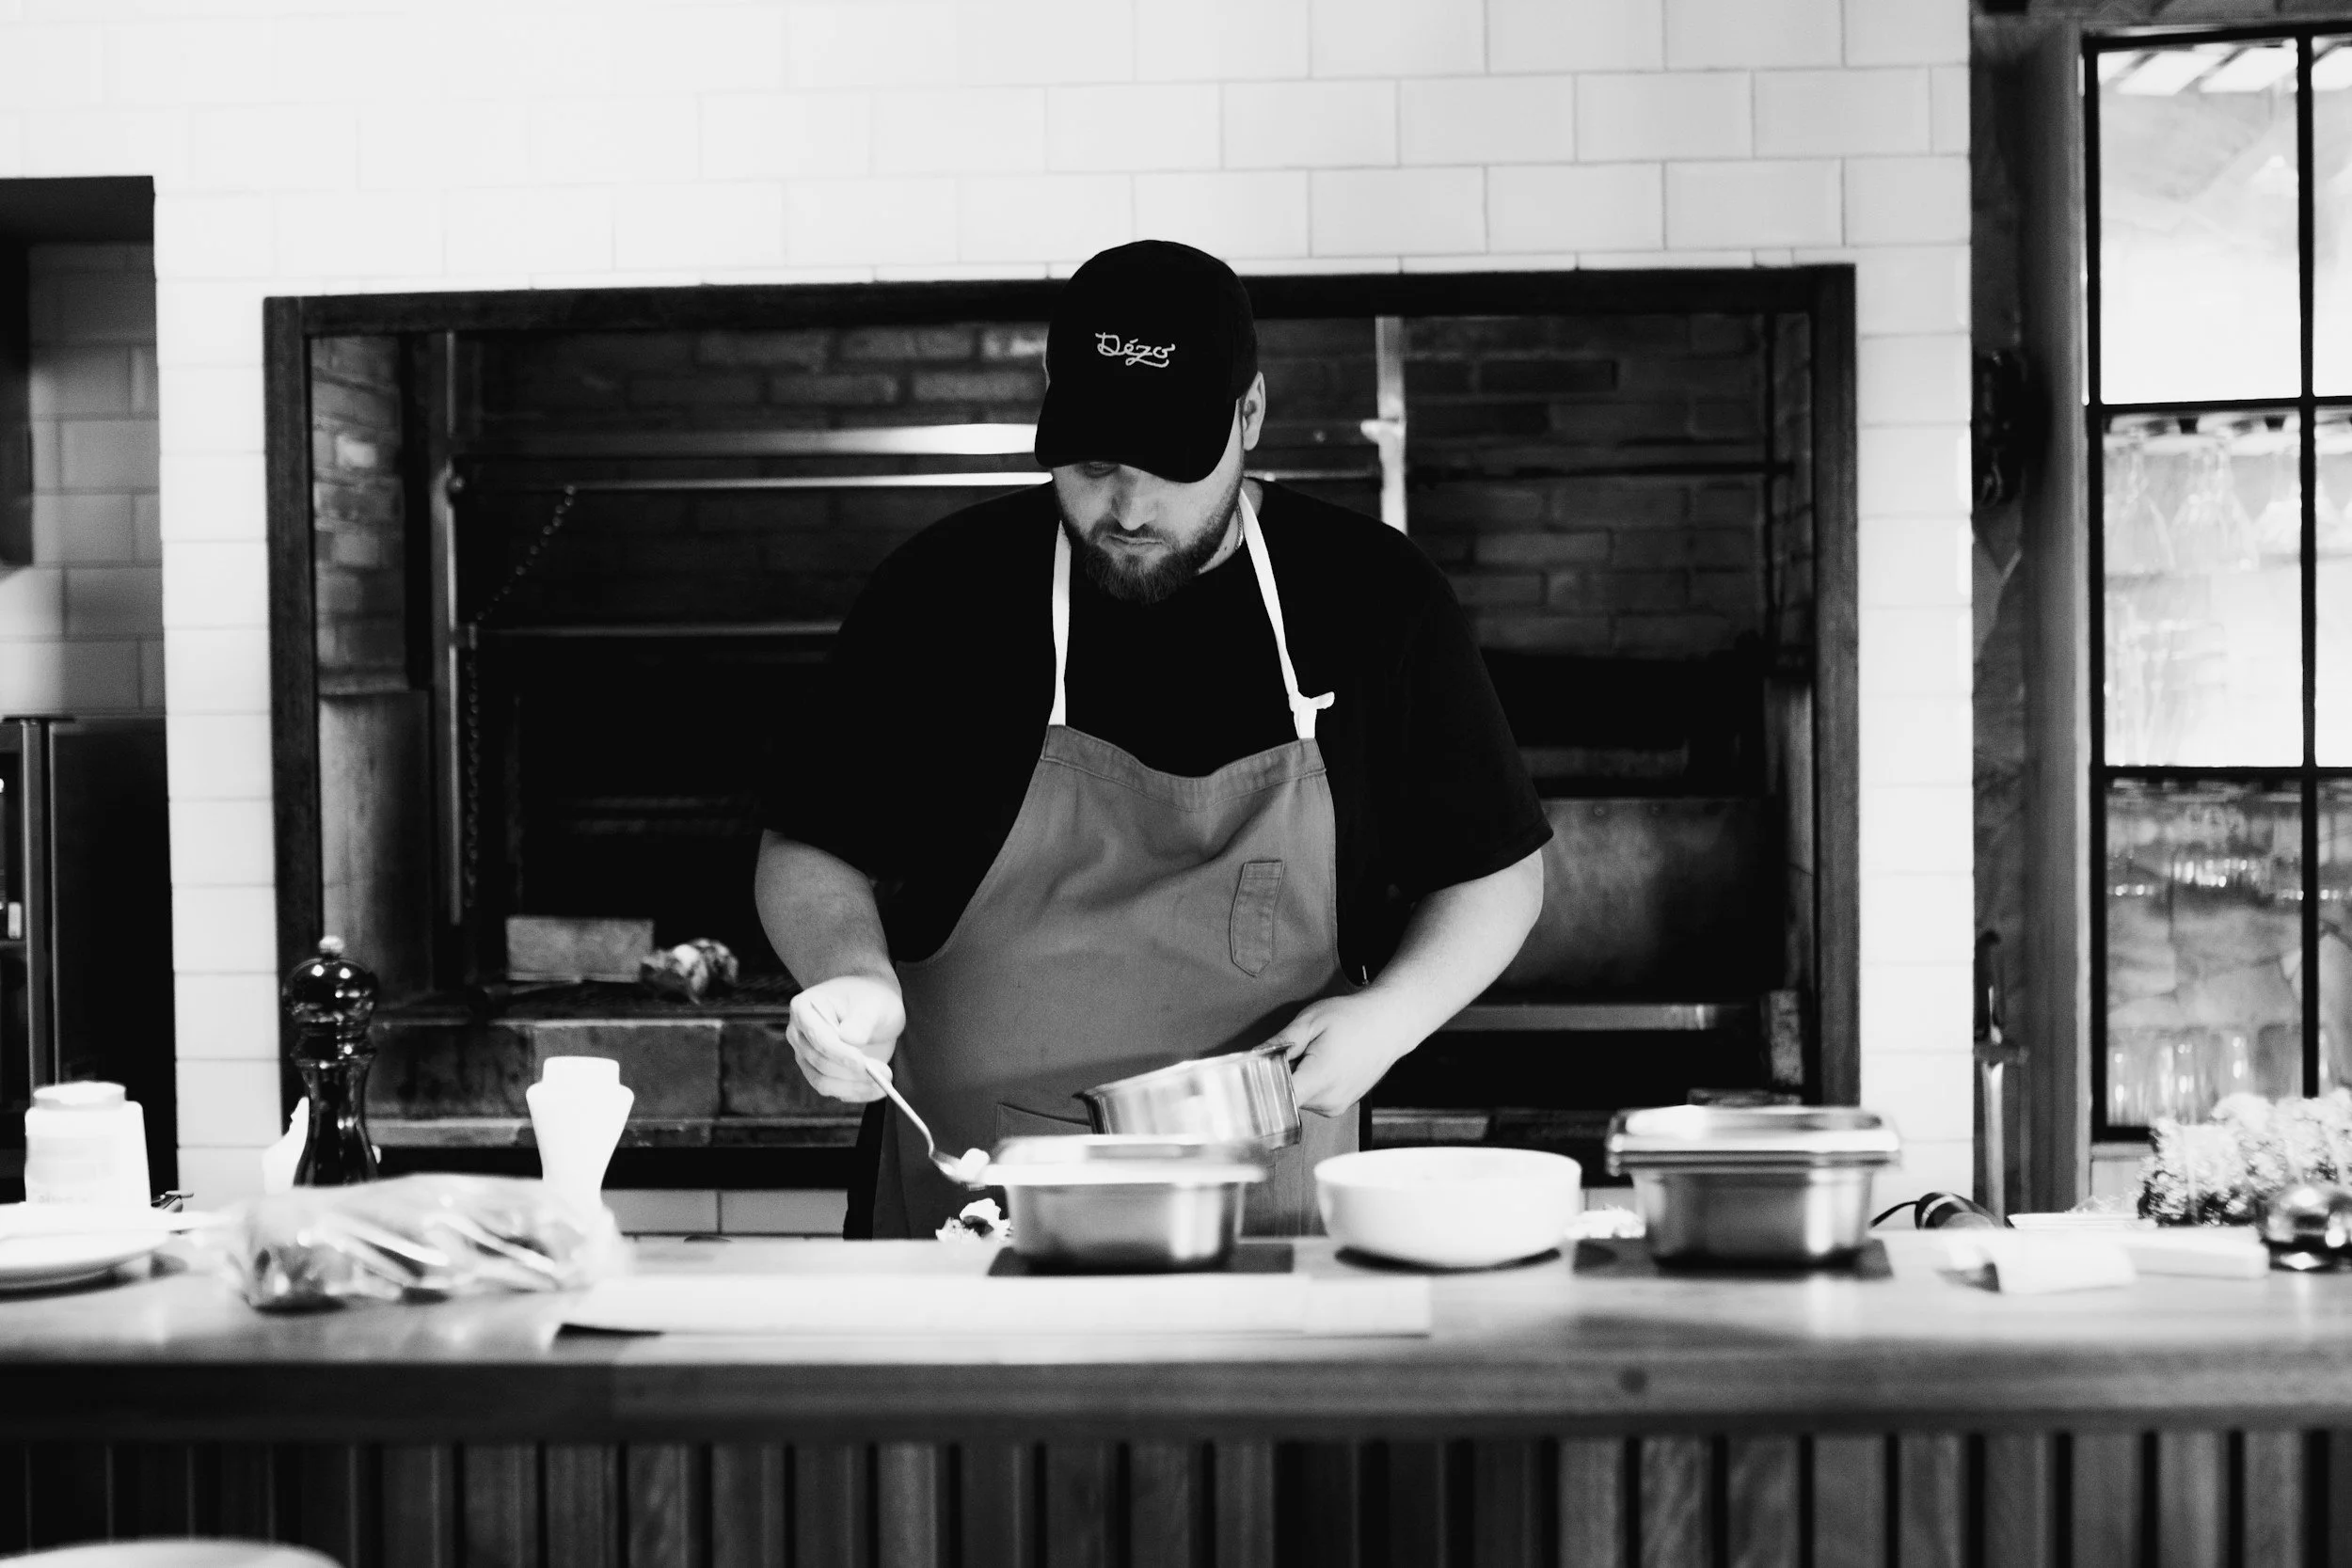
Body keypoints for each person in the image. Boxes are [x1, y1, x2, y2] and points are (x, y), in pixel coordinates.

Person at [755, 239, 1550, 1241]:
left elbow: (1497, 871)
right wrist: (850, 973)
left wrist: (1391, 1016)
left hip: (1267, 1204)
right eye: (1092, 463)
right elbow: (809, 843)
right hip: (975, 1211)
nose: (1127, 508)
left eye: (1170, 465)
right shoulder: (938, 593)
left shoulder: (1374, 600)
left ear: (1249, 415)